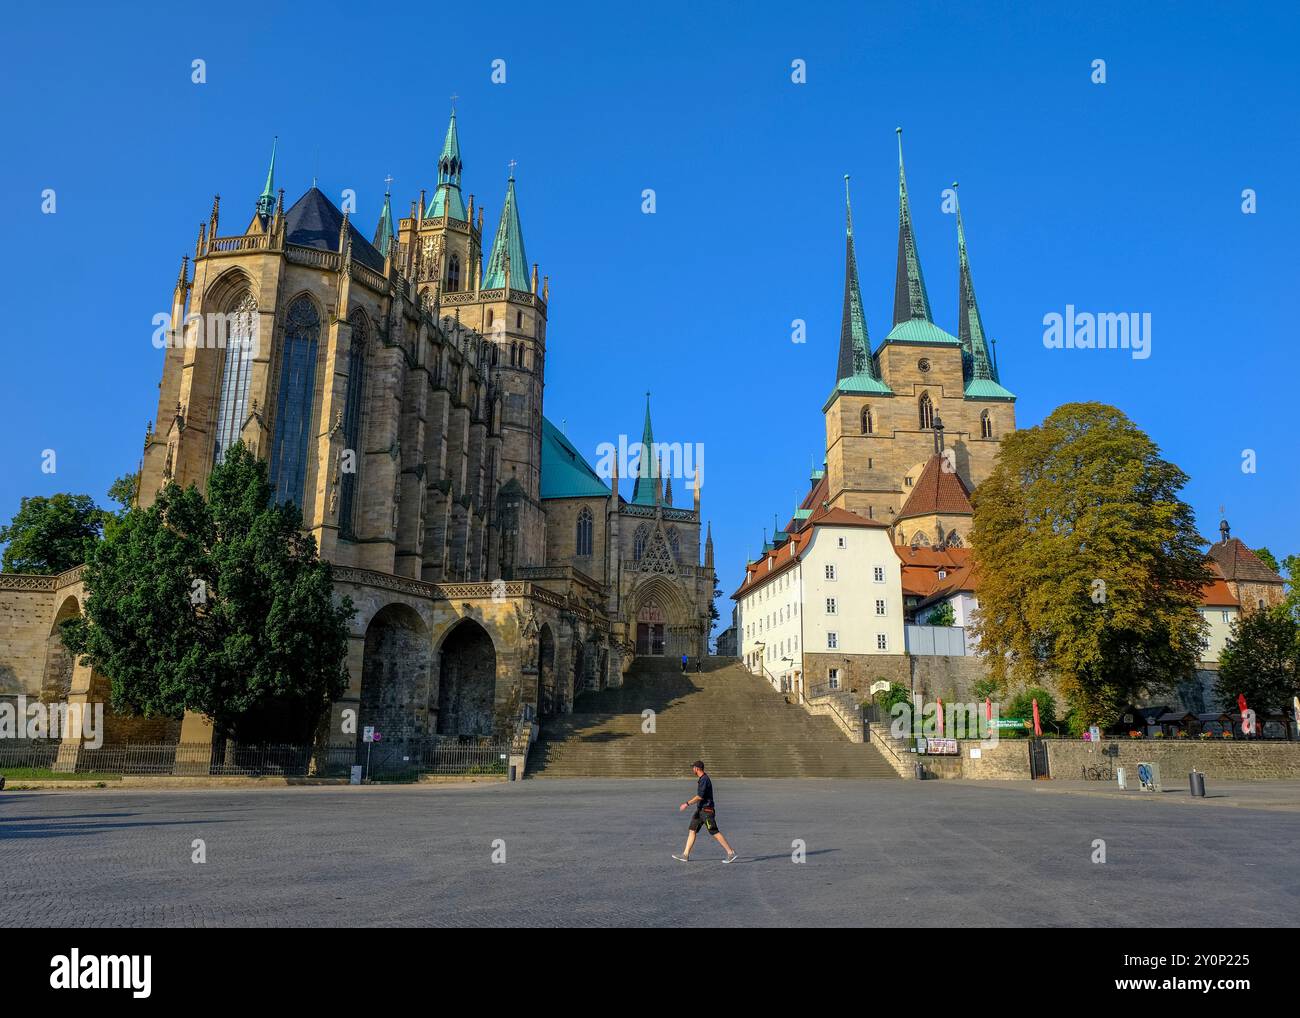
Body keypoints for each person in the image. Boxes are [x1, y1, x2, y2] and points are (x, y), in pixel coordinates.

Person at [673, 760, 738, 863]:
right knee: (692, 830)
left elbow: (699, 796)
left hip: (707, 811)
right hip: (700, 811)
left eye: (693, 767)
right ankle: (685, 855)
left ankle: (731, 852)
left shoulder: (704, 780)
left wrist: (686, 804)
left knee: (714, 831)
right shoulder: (701, 779)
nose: (692, 769)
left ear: (697, 768)